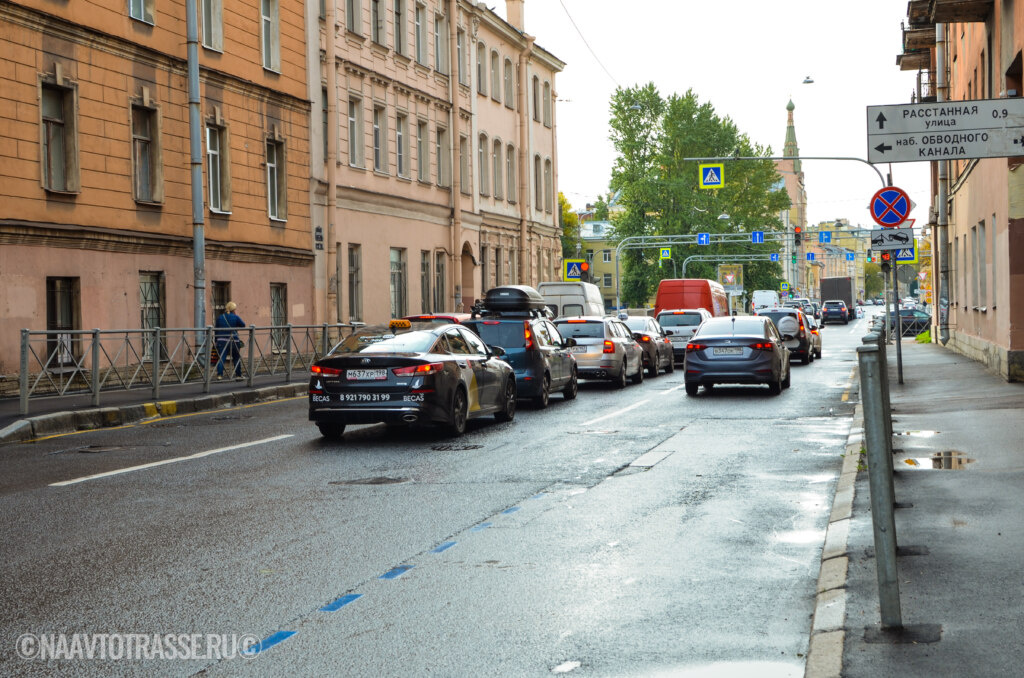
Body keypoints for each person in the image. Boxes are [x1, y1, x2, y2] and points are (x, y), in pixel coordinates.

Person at [214, 301, 246, 380]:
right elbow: (243, 325)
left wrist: (216, 340)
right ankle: (238, 375)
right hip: (234, 341)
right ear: (233, 309)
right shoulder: (235, 317)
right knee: (236, 358)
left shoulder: (220, 317)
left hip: (221, 340)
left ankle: (219, 375)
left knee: (221, 358)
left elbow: (216, 329)